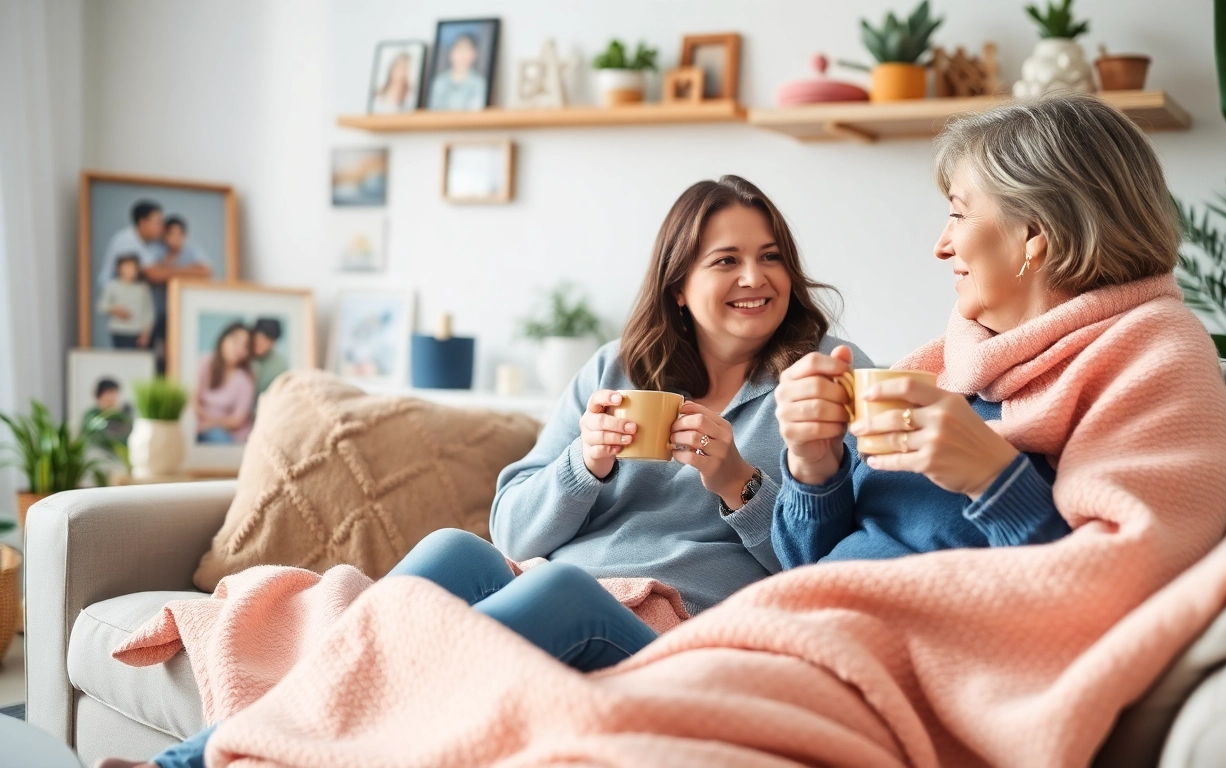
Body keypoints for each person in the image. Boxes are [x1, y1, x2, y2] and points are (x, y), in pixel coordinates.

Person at [111, 175, 872, 768]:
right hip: (552, 587)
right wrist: (586, 462)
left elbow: (838, 562)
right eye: (727, 260)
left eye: (771, 256)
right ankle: (195, 757)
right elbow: (511, 526)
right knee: (455, 549)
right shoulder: (617, 368)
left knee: (555, 586)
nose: (756, 277)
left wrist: (737, 481)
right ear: (679, 283)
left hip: (681, 637)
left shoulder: (825, 376)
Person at [771, 92, 1226, 568]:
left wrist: (992, 477)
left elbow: (1125, 575)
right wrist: (815, 467)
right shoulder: (951, 367)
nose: (941, 245)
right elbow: (803, 564)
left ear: (1035, 235)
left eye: (957, 213)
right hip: (807, 615)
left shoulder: (1152, 356)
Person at [143, 216, 213, 370]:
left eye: (179, 234)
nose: (175, 238)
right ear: (164, 236)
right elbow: (153, 274)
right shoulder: (156, 251)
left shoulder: (193, 250)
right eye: (171, 234)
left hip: (185, 310)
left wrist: (169, 272)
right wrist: (187, 270)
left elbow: (205, 272)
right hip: (160, 311)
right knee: (161, 354)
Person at [194, 322, 255, 445]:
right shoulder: (205, 362)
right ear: (223, 339)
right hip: (198, 424)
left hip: (228, 433)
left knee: (217, 436)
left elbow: (238, 420)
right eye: (235, 341)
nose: (238, 348)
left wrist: (211, 423)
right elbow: (192, 399)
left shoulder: (245, 380)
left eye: (245, 346)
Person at [97, 200, 163, 292]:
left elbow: (163, 266)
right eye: (158, 222)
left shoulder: (155, 243)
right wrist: (188, 271)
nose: (161, 227)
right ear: (142, 223)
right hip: (118, 300)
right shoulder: (126, 241)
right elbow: (152, 274)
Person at [97, 254, 154, 349]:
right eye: (126, 267)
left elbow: (148, 312)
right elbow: (101, 306)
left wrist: (146, 332)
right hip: (119, 330)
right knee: (122, 359)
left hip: (137, 331)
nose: (130, 271)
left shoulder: (142, 288)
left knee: (138, 360)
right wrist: (115, 310)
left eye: (133, 268)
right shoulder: (112, 286)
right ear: (119, 269)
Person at [427, 31, 488, 110]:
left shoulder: (479, 83)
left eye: (466, 50)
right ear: (452, 52)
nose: (462, 55)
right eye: (459, 49)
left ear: (474, 54)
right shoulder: (439, 82)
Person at [83, 378, 132, 445]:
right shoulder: (92, 415)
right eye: (108, 393)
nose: (111, 397)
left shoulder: (121, 416)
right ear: (99, 395)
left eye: (114, 393)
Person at [249, 318, 286, 406]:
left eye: (270, 340)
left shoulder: (279, 365)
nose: (264, 343)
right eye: (262, 337)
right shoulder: (240, 353)